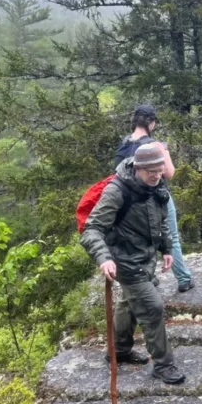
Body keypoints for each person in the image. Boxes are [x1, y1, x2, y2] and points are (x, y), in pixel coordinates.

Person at [81, 143, 186, 385]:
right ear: (138, 168)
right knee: (152, 307)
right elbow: (91, 229)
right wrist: (104, 257)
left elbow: (161, 219)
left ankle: (119, 350)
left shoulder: (156, 185)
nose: (157, 176)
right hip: (125, 261)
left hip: (146, 258)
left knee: (128, 303)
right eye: (152, 172)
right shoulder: (118, 191)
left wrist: (166, 248)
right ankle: (163, 364)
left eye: (160, 171)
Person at [114, 104, 194, 293]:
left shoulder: (124, 144)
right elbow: (170, 173)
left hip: (130, 201)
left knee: (141, 239)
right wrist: (164, 150)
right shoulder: (153, 144)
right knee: (171, 237)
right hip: (157, 196)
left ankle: (149, 278)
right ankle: (183, 278)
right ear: (151, 123)